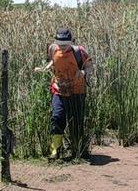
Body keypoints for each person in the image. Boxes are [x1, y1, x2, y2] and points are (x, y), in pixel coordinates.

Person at [34, 28, 94, 160]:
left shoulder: (79, 52)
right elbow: (53, 61)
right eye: (60, 45)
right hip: (58, 89)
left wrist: (83, 73)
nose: (62, 47)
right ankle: (55, 151)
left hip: (77, 91)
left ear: (71, 42)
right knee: (57, 118)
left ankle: (77, 151)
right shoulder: (52, 49)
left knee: (76, 122)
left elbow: (90, 67)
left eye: (65, 45)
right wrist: (44, 69)